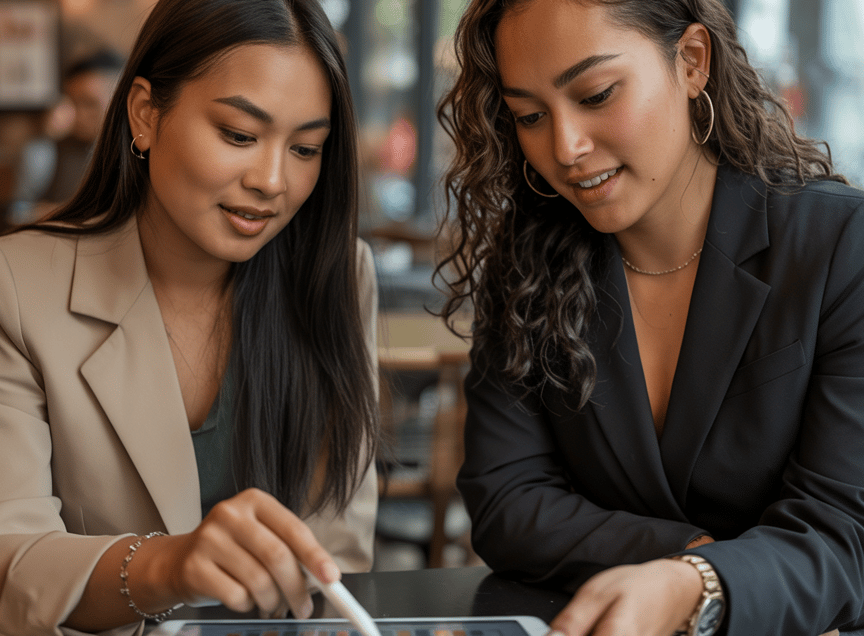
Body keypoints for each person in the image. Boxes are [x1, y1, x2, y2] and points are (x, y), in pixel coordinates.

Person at [436, 1, 864, 635]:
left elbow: (847, 530)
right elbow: (507, 499)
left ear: (692, 62)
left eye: (597, 93)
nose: (566, 147)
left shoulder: (839, 245)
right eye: (529, 115)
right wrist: (691, 563)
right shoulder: (527, 265)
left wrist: (701, 587)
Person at [0, 0, 379, 634]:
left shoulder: (336, 274)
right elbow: (11, 564)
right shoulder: (18, 286)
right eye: (239, 135)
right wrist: (168, 567)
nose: (272, 180)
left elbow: (335, 555)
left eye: (307, 147)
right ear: (146, 114)